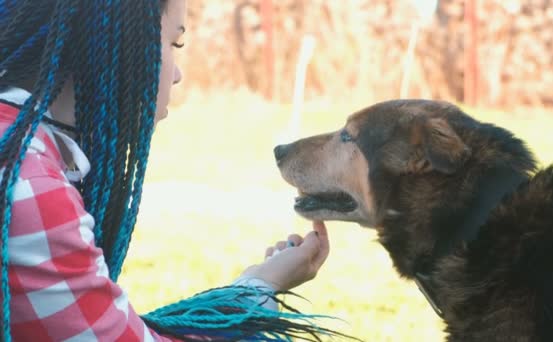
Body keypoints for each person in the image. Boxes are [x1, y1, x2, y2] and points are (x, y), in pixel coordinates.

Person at [0, 0, 342, 341]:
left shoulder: (20, 148)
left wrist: (256, 284)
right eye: (173, 42)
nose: (177, 73)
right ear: (118, 47)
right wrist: (261, 291)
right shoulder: (30, 184)